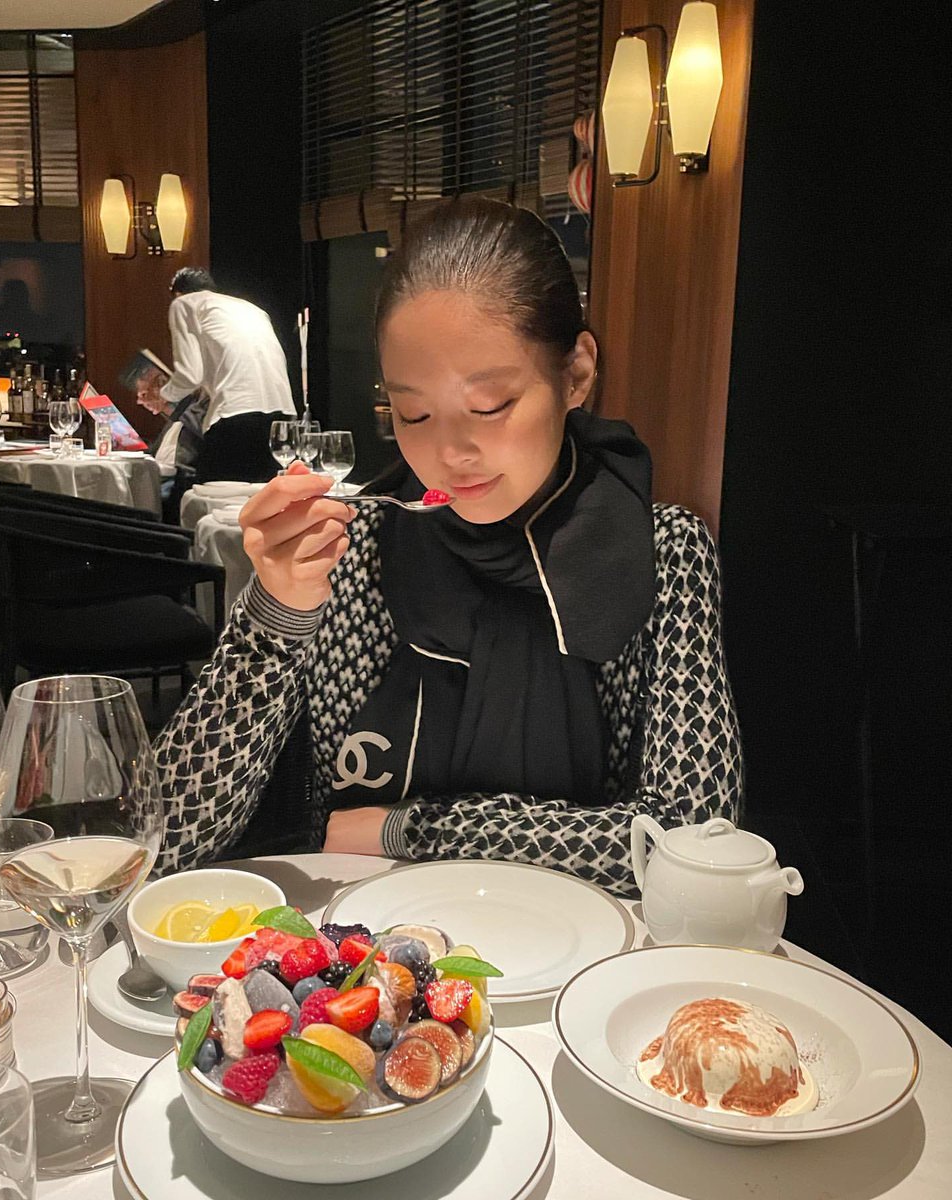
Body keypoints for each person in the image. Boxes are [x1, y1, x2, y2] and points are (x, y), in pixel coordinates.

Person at [153, 198, 743, 893]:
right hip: (360, 945)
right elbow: (165, 837)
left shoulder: (662, 551)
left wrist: (406, 830)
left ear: (576, 373)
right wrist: (275, 615)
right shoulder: (353, 545)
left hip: (584, 950)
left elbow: (691, 844)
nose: (450, 452)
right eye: (413, 413)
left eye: (490, 406)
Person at [145, 267, 296, 483]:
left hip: (235, 414)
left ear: (178, 293)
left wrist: (162, 395)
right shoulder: (252, 309)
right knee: (263, 495)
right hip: (282, 415)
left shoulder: (183, 303)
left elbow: (190, 375)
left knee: (215, 496)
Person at [137, 380, 209, 524]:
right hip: (161, 475)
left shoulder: (205, 405)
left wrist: (169, 400)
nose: (139, 401)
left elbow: (198, 431)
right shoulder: (189, 402)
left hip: (177, 482)